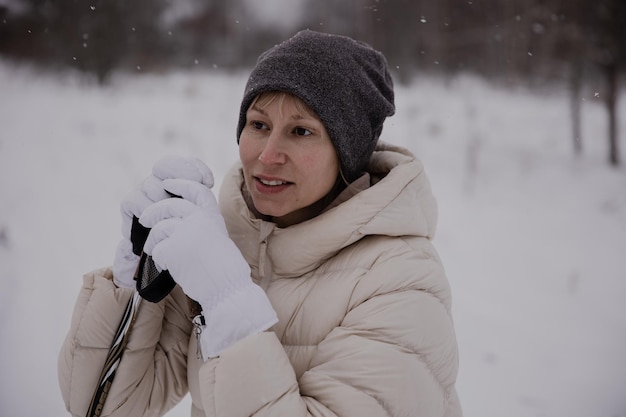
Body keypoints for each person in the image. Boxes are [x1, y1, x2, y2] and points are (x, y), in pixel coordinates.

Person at [58, 29, 462, 417]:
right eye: (259, 125)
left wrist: (230, 305)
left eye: (301, 131)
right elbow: (105, 405)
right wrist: (133, 278)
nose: (268, 156)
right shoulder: (230, 244)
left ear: (348, 152)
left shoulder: (402, 281)